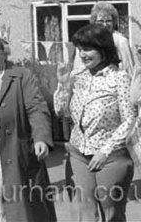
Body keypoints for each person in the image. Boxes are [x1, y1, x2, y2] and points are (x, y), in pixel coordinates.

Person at [0, 22, 57, 222]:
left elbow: (37, 108)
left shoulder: (21, 76)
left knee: (20, 210)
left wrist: (40, 138)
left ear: (5, 52)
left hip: (14, 151)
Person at [54, 24, 136, 221]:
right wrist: (63, 84)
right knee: (83, 213)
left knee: (111, 214)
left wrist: (105, 151)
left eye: (88, 49)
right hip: (78, 154)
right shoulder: (78, 77)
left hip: (111, 157)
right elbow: (61, 112)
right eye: (80, 49)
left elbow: (130, 120)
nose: (82, 54)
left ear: (103, 49)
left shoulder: (120, 78)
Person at [73, 2, 134, 76]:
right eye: (101, 21)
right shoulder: (86, 40)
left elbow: (129, 70)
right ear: (94, 22)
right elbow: (78, 67)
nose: (105, 25)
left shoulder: (121, 41)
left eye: (108, 21)